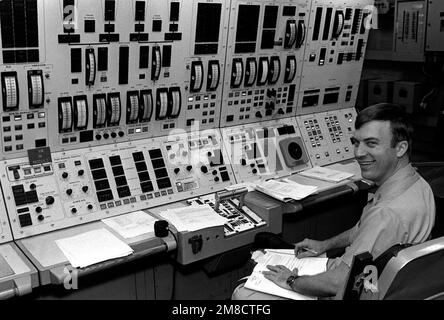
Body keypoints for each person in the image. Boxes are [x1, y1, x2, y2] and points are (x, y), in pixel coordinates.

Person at [232, 103, 436, 300]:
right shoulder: (418, 185)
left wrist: (292, 280)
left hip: (354, 288)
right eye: (356, 142)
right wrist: (325, 245)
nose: (359, 153)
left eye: (371, 143)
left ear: (400, 148)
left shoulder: (386, 214)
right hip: (383, 282)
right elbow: (364, 231)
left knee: (244, 292)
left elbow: (338, 283)